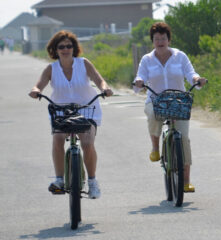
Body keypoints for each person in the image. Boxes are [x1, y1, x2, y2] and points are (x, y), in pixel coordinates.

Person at [28, 30, 113, 199]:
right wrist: (36, 90)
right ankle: (59, 179)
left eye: (69, 46)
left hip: (86, 109)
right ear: (55, 49)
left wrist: (104, 88)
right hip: (61, 112)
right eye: (61, 46)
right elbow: (39, 84)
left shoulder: (83, 63)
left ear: (74, 48)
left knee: (87, 143)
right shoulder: (51, 69)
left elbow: (98, 79)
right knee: (58, 139)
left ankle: (93, 182)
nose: (65, 49)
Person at [133, 22, 207, 193]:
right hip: (156, 100)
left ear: (169, 39)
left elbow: (191, 73)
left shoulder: (180, 56)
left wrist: (197, 79)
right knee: (152, 114)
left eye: (163, 38)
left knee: (184, 139)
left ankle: (186, 180)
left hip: (178, 100)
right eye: (157, 39)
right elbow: (140, 77)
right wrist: (139, 81)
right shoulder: (147, 59)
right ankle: (155, 147)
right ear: (152, 41)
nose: (160, 41)